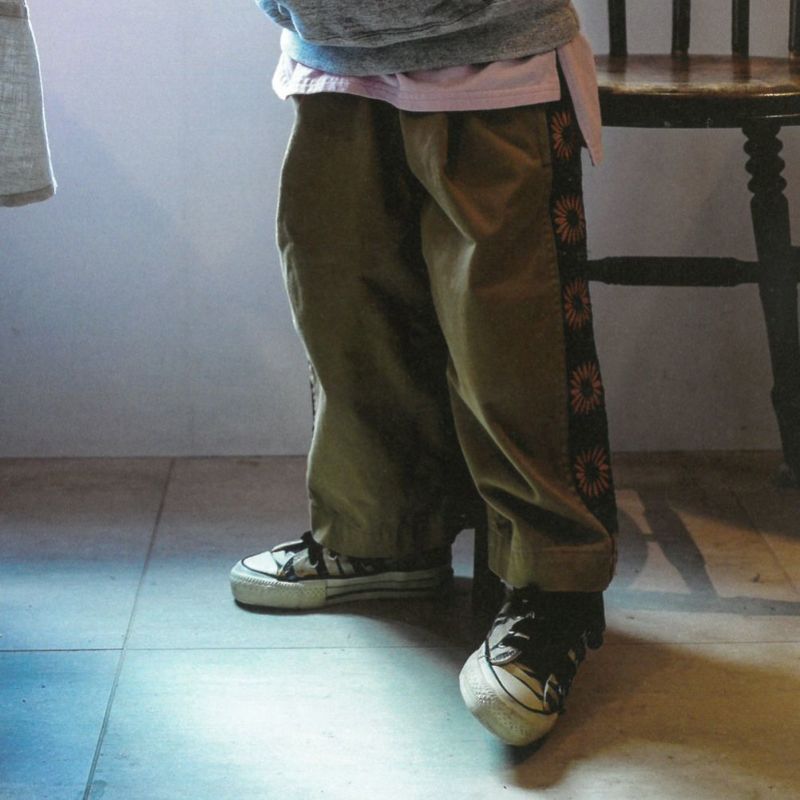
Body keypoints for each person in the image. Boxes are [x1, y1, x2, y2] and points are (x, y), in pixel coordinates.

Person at [230, 0, 618, 748]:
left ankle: (552, 588)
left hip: (495, 55)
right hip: (336, 56)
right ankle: (385, 533)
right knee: (347, 305)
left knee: (510, 338)